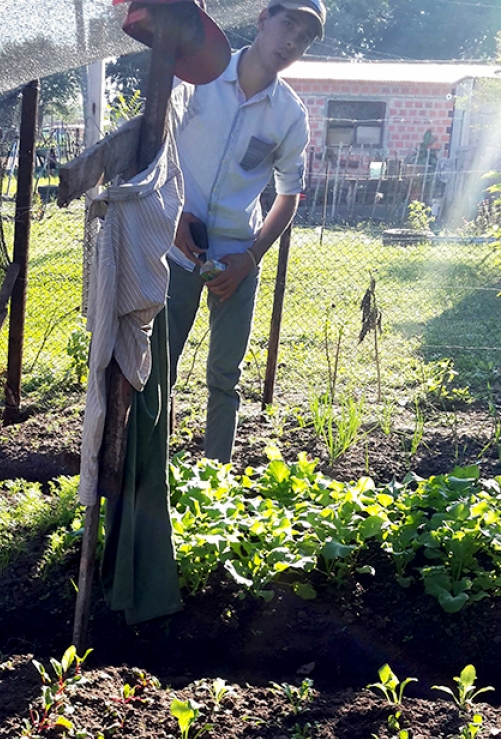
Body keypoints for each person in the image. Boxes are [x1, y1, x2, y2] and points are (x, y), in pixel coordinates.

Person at [167, 0, 325, 463]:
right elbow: (160, 145)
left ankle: (215, 480)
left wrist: (250, 258)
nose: (292, 41)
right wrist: (172, 214)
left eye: (305, 36)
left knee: (224, 377)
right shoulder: (200, 78)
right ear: (262, 20)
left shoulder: (290, 116)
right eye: (287, 24)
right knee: (158, 369)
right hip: (177, 250)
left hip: (238, 258)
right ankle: (150, 474)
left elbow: (288, 195)